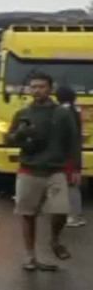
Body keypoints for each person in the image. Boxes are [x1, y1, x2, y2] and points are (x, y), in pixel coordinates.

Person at [5, 72, 81, 271]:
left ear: (50, 88)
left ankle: (54, 241)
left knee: (61, 211)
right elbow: (9, 140)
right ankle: (30, 257)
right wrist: (19, 134)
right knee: (28, 215)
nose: (37, 91)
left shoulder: (62, 114)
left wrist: (76, 169)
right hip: (29, 170)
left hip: (56, 171)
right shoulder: (23, 114)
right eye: (34, 87)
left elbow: (73, 141)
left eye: (41, 87)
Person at [55, 85, 86, 227]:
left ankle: (75, 216)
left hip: (66, 153)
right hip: (72, 152)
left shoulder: (64, 111)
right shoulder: (75, 109)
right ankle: (73, 215)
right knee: (71, 184)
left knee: (70, 184)